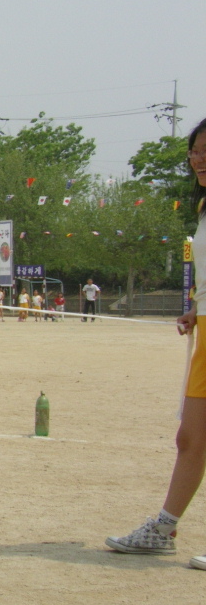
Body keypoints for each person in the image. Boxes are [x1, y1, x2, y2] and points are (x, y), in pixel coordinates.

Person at [105, 117, 206, 572]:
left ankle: (164, 526)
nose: (198, 158)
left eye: (205, 149)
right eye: (195, 150)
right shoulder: (204, 208)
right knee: (191, 437)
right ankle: (164, 530)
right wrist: (196, 308)